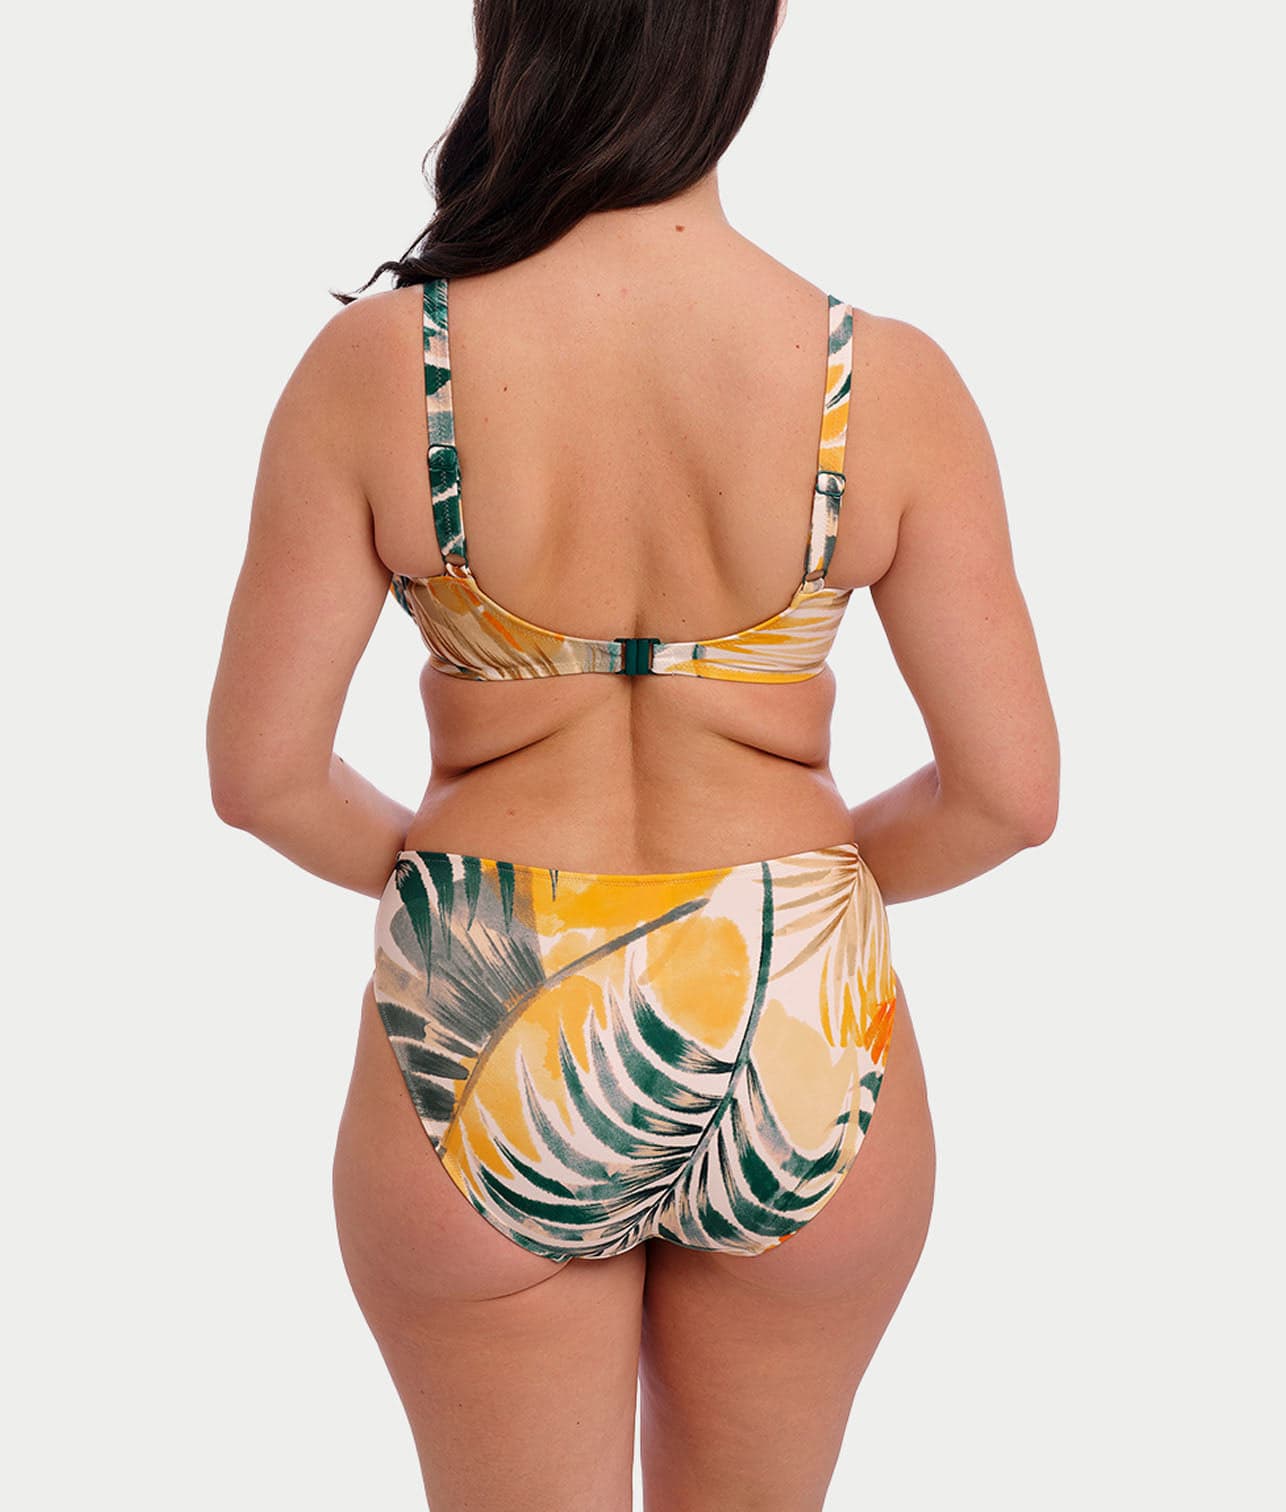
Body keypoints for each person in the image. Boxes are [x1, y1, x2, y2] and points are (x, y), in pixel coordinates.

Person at [206, 2, 1058, 1506]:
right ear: (743, 39)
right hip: (795, 992)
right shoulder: (886, 380)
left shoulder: (377, 366)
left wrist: (454, 886)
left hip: (487, 986)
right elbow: (1008, 796)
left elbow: (262, 775)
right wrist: (805, 887)